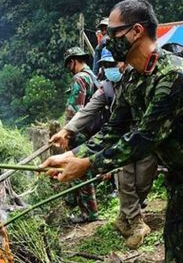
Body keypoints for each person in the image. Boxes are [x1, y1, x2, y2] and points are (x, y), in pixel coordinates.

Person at [41, 0, 183, 262]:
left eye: (112, 33)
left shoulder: (173, 75)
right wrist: (72, 155)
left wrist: (87, 164)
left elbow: (145, 137)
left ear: (136, 31)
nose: (106, 40)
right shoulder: (133, 77)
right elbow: (114, 129)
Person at [51, 49, 157, 249]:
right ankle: (136, 223)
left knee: (142, 181)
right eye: (105, 66)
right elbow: (88, 110)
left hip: (146, 138)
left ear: (123, 64)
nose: (109, 69)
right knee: (125, 181)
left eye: (113, 64)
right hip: (120, 139)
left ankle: (123, 218)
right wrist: (66, 130)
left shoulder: (138, 81)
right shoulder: (105, 86)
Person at [63, 46, 100, 223]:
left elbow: (75, 109)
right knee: (85, 169)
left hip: (80, 131)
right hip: (91, 128)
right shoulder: (92, 76)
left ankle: (89, 213)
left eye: (68, 63)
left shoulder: (80, 78)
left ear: (73, 61)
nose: (68, 67)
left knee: (80, 171)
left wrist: (67, 132)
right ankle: (84, 207)